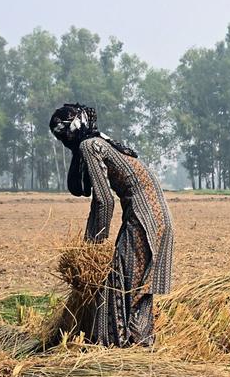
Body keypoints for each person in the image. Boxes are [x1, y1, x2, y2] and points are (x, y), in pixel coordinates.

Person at [49, 103, 174, 347]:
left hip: (143, 219)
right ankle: (139, 346)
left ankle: (117, 348)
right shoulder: (101, 142)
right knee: (137, 290)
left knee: (118, 286)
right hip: (158, 218)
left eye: (62, 135)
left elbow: (104, 200)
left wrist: (91, 246)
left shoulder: (89, 145)